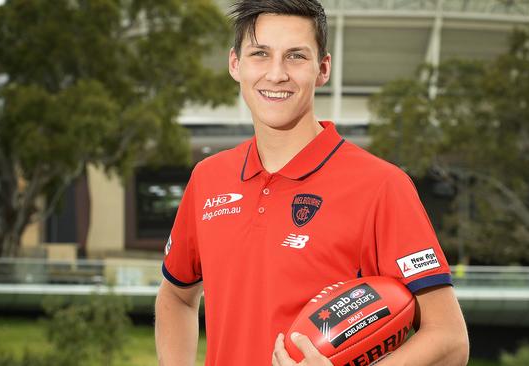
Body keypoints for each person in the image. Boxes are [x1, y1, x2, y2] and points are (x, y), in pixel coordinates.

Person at [155, 0, 469, 365]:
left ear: (323, 69)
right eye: (260, 54)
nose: (276, 74)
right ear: (235, 64)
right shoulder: (208, 178)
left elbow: (450, 340)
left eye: (295, 57)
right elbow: (176, 297)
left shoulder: (382, 186)